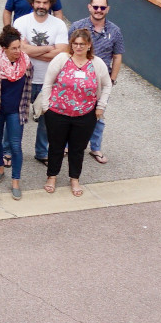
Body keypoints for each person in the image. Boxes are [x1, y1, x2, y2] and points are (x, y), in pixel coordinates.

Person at [38, 27, 112, 197]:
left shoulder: (97, 63)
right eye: (75, 44)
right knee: (56, 147)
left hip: (85, 115)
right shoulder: (62, 59)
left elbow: (107, 85)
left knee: (78, 149)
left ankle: (74, 178)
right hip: (57, 112)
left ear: (88, 46)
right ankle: (52, 176)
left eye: (82, 44)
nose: (78, 47)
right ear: (71, 45)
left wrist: (101, 106)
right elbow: (48, 82)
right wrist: (46, 107)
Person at [14, 0, 67, 165]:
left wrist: (30, 50)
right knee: (16, 117)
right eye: (38, 2)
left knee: (47, 119)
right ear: (32, 2)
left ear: (50, 4)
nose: (42, 5)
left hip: (49, 81)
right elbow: (18, 50)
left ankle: (42, 152)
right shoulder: (21, 22)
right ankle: (10, 150)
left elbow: (61, 54)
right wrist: (48, 48)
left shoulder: (59, 24)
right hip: (23, 77)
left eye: (45, 2)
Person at [73, 0, 124, 165]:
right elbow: (67, 50)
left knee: (98, 115)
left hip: (100, 83)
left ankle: (95, 148)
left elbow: (117, 56)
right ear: (89, 7)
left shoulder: (115, 31)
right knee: (72, 112)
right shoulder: (77, 27)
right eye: (96, 7)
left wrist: (112, 79)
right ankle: (68, 145)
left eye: (102, 8)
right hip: (77, 80)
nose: (99, 11)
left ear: (107, 9)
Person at [0, 25, 32, 200]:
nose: (18, 51)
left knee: (16, 145)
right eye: (14, 48)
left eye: (19, 47)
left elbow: (27, 88)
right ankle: (0, 168)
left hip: (16, 111)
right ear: (4, 49)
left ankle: (16, 181)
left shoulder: (27, 65)